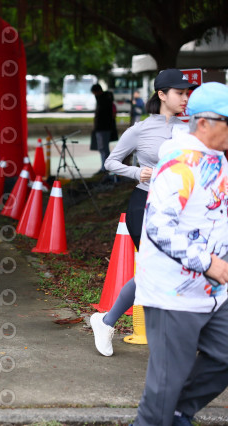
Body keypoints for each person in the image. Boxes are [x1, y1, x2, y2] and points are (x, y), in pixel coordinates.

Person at [132, 82, 228, 425]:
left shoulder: (217, 158)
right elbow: (159, 227)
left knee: (224, 356)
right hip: (173, 293)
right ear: (204, 123)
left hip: (213, 292)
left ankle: (177, 413)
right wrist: (207, 262)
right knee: (164, 388)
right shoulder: (179, 164)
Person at [91, 69, 196, 357]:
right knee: (160, 269)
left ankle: (106, 321)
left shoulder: (190, 127)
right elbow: (111, 162)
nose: (185, 98)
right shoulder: (140, 129)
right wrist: (138, 172)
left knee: (166, 271)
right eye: (179, 93)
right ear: (162, 95)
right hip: (145, 205)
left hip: (179, 209)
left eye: (187, 93)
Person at [91, 83, 116, 173]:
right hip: (103, 127)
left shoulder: (104, 100)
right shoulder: (106, 99)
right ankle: (104, 166)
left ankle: (105, 167)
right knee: (103, 148)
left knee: (103, 148)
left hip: (103, 127)